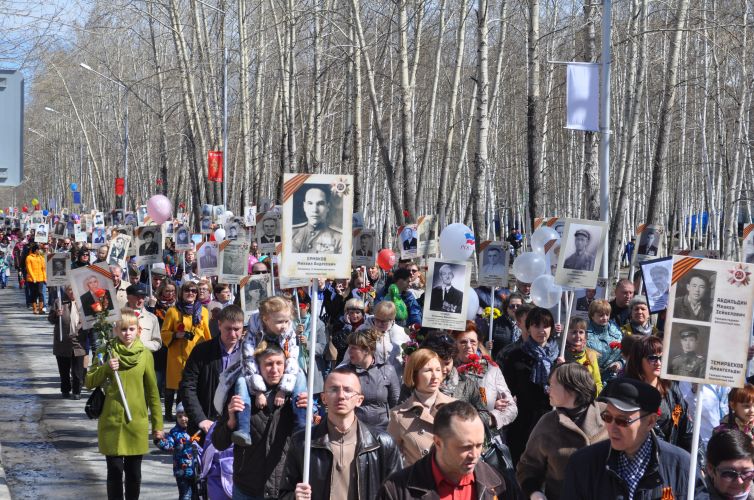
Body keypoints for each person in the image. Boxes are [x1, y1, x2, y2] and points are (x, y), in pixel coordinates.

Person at [561, 377, 705, 499]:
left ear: (650, 421)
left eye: (623, 421)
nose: (612, 427)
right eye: (607, 417)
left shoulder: (682, 467)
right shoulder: (583, 463)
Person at [279, 367, 404, 500]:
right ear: (323, 398)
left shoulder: (382, 444)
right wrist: (295, 497)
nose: (341, 396)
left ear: (359, 400)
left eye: (348, 390)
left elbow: (397, 493)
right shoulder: (303, 441)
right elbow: (284, 493)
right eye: (334, 389)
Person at [213, 341, 309, 499]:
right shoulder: (242, 394)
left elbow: (310, 440)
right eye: (269, 364)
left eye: (279, 363)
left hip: (284, 488)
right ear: (258, 367)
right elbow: (219, 443)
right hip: (247, 487)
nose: (275, 369)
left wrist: (310, 415)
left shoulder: (296, 396)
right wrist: (230, 422)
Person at [85, 309, 164, 500]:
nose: (127, 333)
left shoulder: (145, 355)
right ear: (116, 330)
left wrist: (158, 425)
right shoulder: (106, 351)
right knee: (114, 471)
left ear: (138, 330)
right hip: (111, 421)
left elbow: (153, 393)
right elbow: (89, 382)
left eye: (131, 329)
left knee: (133, 473)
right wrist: (105, 368)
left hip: (135, 422)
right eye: (123, 329)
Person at [378, 401, 506, 499]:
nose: (474, 455)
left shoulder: (496, 483)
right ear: (438, 443)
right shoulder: (396, 490)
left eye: (479, 445)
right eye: (465, 447)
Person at [517, 363, 609, 500]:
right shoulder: (547, 423)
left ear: (572, 388)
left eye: (552, 385)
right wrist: (535, 493)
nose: (548, 390)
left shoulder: (608, 415)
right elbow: (528, 467)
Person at [230, 296, 305, 447]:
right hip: (257, 370)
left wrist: (283, 390)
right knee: (240, 382)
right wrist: (258, 391)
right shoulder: (253, 331)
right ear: (265, 319)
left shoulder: (288, 331)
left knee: (301, 376)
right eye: (279, 322)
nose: (284, 325)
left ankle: (302, 425)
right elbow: (248, 359)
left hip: (282, 370)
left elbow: (292, 359)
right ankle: (243, 428)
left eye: (286, 321)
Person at [502, 307, 559, 464]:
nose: (541, 330)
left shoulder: (559, 356)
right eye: (536, 325)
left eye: (545, 326)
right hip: (524, 421)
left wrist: (563, 370)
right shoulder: (515, 356)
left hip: (552, 418)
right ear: (528, 328)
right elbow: (507, 388)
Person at [180, 305, 244, 436]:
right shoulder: (201, 351)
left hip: (239, 424)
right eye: (228, 329)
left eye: (237, 329)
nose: (232, 334)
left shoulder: (249, 353)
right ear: (219, 325)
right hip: (207, 423)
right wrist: (200, 419)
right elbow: (188, 386)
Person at [624, 335, 693, 451]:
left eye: (661, 358)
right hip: (640, 458)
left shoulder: (672, 389)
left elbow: (687, 429)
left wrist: (698, 461)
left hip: (669, 457)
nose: (658, 362)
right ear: (638, 360)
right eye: (652, 358)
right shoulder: (626, 392)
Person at [388, 348, 455, 465]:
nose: (435, 376)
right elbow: (390, 460)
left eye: (438, 370)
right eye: (428, 370)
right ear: (414, 374)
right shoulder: (398, 415)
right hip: (418, 481)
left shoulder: (455, 407)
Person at [451, 322, 518, 431]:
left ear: (478, 344)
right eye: (463, 342)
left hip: (487, 436)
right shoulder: (447, 370)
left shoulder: (491, 369)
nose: (468, 346)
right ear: (455, 344)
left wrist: (490, 418)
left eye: (473, 342)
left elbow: (511, 408)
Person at [161, 282, 212, 421]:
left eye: (194, 291)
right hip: (177, 353)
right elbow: (164, 332)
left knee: (189, 384)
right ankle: (168, 414)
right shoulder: (173, 311)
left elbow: (206, 333)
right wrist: (176, 335)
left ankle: (185, 414)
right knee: (173, 384)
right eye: (187, 290)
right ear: (181, 293)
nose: (191, 293)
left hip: (195, 353)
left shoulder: (204, 311)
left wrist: (210, 349)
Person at [343, 329, 401, 431]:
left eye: (354, 348)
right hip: (354, 429)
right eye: (349, 347)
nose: (349, 351)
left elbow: (395, 401)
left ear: (367, 350)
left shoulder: (387, 370)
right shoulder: (346, 372)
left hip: (382, 429)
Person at [343, 301, 410, 375]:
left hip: (395, 379)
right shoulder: (363, 330)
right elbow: (349, 355)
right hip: (369, 379)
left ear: (392, 319)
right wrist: (340, 371)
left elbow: (408, 358)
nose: (379, 323)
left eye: (384, 321)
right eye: (377, 319)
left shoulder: (402, 333)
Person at [156, 403, 200, 500]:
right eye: (180, 416)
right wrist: (159, 440)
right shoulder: (174, 432)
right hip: (181, 471)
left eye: (185, 415)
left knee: (196, 495)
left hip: (197, 470)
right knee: (185, 495)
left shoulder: (197, 430)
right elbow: (168, 445)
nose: (183, 418)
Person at [49, 284, 86, 400]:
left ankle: (77, 391)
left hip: (78, 342)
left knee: (77, 371)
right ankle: (65, 389)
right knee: (64, 371)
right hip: (62, 342)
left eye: (75, 290)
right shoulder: (59, 302)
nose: (72, 292)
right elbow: (50, 319)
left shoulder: (83, 302)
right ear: (66, 291)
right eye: (70, 290)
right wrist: (56, 314)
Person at [705, 429, 754, 500]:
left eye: (746, 473)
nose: (739, 481)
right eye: (729, 474)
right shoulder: (692, 495)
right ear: (710, 469)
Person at [291, 187, 342, 254]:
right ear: (304, 206)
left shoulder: (340, 238)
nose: (315, 210)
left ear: (328, 207)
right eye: (310, 203)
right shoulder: (291, 233)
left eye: (320, 203)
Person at [586, 299, 624, 384]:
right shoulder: (584, 331)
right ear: (592, 316)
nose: (605, 318)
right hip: (590, 379)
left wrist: (619, 364)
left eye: (607, 314)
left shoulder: (616, 329)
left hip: (612, 380)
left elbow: (625, 354)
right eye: (601, 315)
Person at [564, 317, 603, 393]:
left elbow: (597, 383)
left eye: (581, 332)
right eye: (574, 332)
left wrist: (591, 397)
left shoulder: (591, 355)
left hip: (586, 400)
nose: (578, 336)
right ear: (566, 333)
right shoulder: (561, 354)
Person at [125, 283, 162, 353]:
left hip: (144, 360)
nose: (141, 300)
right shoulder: (118, 317)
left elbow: (157, 343)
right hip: (123, 360)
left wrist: (141, 345)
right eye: (137, 297)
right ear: (128, 297)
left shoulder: (152, 318)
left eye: (143, 297)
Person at [330, 298, 367, 366]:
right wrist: (348, 327)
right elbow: (339, 345)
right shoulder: (340, 324)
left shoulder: (368, 325)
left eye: (357, 312)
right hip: (345, 362)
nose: (354, 315)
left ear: (363, 313)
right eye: (351, 313)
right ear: (346, 313)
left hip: (363, 362)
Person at [25, 242, 47, 314]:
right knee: (34, 293)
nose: (39, 251)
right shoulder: (29, 258)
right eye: (38, 249)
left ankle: (40, 308)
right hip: (32, 279)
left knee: (40, 293)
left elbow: (43, 269)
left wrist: (45, 277)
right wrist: (33, 277)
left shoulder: (41, 258)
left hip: (40, 278)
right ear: (35, 250)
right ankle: (34, 308)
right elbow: (29, 268)